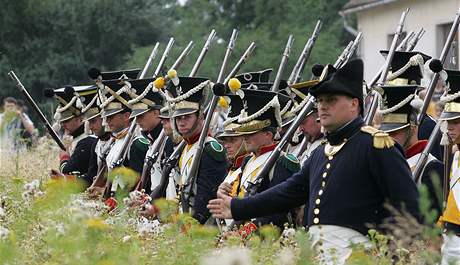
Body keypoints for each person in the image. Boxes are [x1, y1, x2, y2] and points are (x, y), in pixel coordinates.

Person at [208, 59, 420, 264]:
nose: (322, 107)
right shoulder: (321, 153)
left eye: (331, 100)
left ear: (354, 103)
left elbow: (409, 209)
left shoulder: (376, 146)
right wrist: (239, 207)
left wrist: (388, 257)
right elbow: (288, 192)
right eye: (319, 101)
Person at [217, 88, 300, 234]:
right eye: (245, 133)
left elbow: (277, 211)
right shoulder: (248, 160)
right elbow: (241, 197)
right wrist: (224, 193)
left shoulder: (282, 162)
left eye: (251, 133)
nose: (245, 138)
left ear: (268, 134)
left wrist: (246, 232)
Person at [161, 75, 228, 224]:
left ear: (200, 117)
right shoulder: (184, 147)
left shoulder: (210, 149)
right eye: (178, 118)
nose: (182, 122)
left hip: (204, 225)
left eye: (187, 117)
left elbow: (207, 195)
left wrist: (193, 223)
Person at [378, 84, 443, 215]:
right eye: (387, 132)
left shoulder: (431, 166)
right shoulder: (384, 160)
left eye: (395, 132)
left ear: (412, 127)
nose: (389, 137)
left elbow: (429, 218)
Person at [88, 79, 148, 198]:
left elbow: (136, 183)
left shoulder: (135, 142)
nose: (107, 121)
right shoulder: (114, 141)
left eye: (111, 117)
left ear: (126, 116)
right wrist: (102, 190)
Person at [44, 86, 98, 181]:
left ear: (80, 119)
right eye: (62, 122)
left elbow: (66, 170)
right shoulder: (77, 139)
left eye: (67, 121)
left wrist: (64, 151)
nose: (63, 125)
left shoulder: (86, 141)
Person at [437, 69, 460, 265]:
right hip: (450, 241)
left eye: (456, 121)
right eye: (448, 121)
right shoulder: (457, 155)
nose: (449, 127)